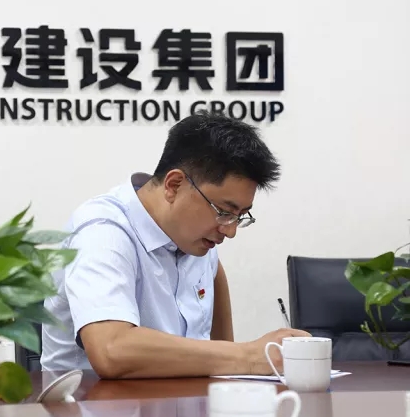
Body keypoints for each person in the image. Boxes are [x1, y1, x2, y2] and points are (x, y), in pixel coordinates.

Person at [39, 110, 310, 379]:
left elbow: (224, 363)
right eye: (224, 211)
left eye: (240, 216)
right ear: (174, 184)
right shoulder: (102, 233)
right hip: (92, 401)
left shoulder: (199, 243)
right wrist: (250, 356)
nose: (230, 231)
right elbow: (111, 350)